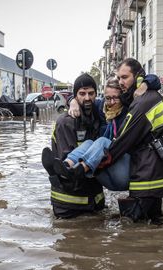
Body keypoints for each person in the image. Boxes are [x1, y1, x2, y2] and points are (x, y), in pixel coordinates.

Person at [54, 74, 162, 191]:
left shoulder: (130, 109)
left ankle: (79, 170)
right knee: (90, 142)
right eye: (108, 98)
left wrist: (143, 86)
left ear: (122, 97)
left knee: (103, 141)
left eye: (116, 98)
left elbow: (155, 80)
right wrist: (73, 101)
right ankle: (66, 167)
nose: (111, 102)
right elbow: (84, 98)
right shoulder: (101, 108)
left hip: (124, 173)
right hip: (106, 169)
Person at [105, 58, 163, 221]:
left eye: (124, 77)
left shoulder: (142, 102)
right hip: (157, 173)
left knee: (135, 231)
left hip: (146, 176)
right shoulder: (151, 95)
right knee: (154, 225)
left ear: (138, 77)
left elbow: (124, 140)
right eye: (119, 78)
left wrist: (100, 162)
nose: (120, 82)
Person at [41, 73, 104, 219]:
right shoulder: (66, 122)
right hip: (69, 203)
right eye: (82, 94)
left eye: (91, 93)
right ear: (75, 95)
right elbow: (64, 158)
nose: (87, 98)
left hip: (94, 200)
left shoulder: (98, 116)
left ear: (96, 94)